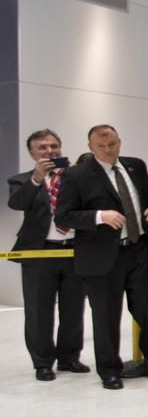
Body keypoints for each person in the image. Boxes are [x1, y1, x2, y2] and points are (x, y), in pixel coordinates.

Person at [54, 124, 148, 389]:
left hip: (138, 249)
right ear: (90, 147)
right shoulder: (76, 175)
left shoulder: (135, 166)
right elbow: (63, 216)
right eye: (101, 146)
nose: (108, 150)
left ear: (119, 142)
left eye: (112, 144)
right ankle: (109, 370)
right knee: (105, 315)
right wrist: (99, 216)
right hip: (101, 255)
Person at [7, 129, 87, 381]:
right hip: (39, 253)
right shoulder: (21, 180)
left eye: (53, 146)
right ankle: (42, 362)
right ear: (32, 152)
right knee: (38, 311)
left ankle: (69, 358)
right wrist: (37, 178)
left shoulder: (75, 177)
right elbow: (17, 203)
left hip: (74, 250)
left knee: (74, 309)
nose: (49, 151)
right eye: (42, 147)